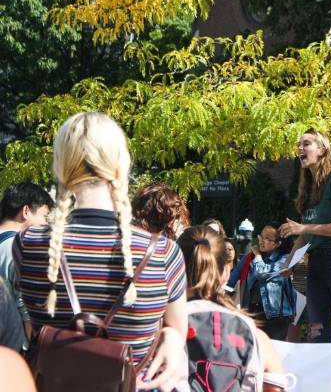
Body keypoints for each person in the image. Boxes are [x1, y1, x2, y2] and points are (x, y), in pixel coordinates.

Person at [13, 112, 188, 391]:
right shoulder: (164, 253)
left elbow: (33, 329)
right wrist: (173, 338)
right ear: (121, 164)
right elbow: (178, 329)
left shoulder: (28, 243)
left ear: (60, 166)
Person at [279, 129, 331, 343]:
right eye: (299, 144)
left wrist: (304, 229)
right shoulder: (307, 188)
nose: (300, 148)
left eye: (306, 144)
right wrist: (288, 263)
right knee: (317, 331)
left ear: (322, 150)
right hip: (315, 263)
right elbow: (304, 235)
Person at [177, 225, 284, 388]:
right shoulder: (256, 337)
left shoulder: (160, 329)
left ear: (175, 270)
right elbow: (276, 387)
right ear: (226, 272)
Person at [0, 182, 53, 346]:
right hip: (13, 346)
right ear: (26, 211)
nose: (46, 224)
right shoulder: (14, 248)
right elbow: (24, 305)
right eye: (45, 216)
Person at [232, 224, 296, 340]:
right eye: (261, 236)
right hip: (253, 311)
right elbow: (233, 278)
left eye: (267, 238)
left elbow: (261, 274)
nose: (262, 241)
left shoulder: (284, 259)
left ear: (277, 244)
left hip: (275, 316)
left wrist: (257, 256)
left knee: (274, 350)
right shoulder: (250, 258)